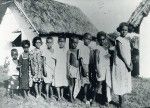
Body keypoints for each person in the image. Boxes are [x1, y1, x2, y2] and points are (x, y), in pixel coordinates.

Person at [112, 22, 132, 107]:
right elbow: (121, 53)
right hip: (121, 63)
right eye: (122, 30)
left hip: (127, 63)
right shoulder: (118, 39)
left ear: (128, 31)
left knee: (124, 81)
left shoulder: (127, 41)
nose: (124, 31)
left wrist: (131, 63)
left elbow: (129, 53)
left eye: (126, 30)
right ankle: (120, 102)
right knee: (120, 80)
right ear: (120, 30)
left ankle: (122, 101)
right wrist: (127, 64)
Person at [95, 31, 112, 106]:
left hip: (106, 69)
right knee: (98, 85)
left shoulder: (106, 49)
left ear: (105, 39)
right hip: (100, 69)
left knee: (106, 85)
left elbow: (106, 58)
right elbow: (96, 61)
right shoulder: (97, 49)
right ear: (98, 40)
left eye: (103, 39)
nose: (102, 41)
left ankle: (105, 100)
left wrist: (109, 54)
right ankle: (93, 98)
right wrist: (98, 70)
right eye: (100, 39)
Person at [79, 33, 92, 104]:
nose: (88, 41)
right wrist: (84, 69)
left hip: (89, 66)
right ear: (83, 39)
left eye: (90, 39)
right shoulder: (81, 47)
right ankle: (84, 97)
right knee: (85, 83)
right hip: (84, 66)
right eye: (87, 39)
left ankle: (87, 96)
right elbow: (81, 59)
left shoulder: (89, 48)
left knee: (88, 83)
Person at [67, 36, 81, 102]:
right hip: (71, 68)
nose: (75, 44)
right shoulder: (69, 51)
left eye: (76, 43)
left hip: (78, 69)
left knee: (76, 83)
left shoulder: (79, 50)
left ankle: (74, 95)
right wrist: (68, 71)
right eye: (73, 43)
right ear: (71, 42)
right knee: (71, 83)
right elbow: (67, 62)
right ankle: (70, 97)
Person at [54, 36, 68, 101]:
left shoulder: (67, 51)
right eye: (60, 41)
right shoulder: (56, 50)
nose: (61, 43)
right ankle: (59, 96)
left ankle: (62, 96)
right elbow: (54, 61)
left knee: (63, 83)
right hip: (58, 68)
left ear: (65, 42)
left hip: (64, 69)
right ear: (58, 42)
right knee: (58, 83)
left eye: (63, 41)